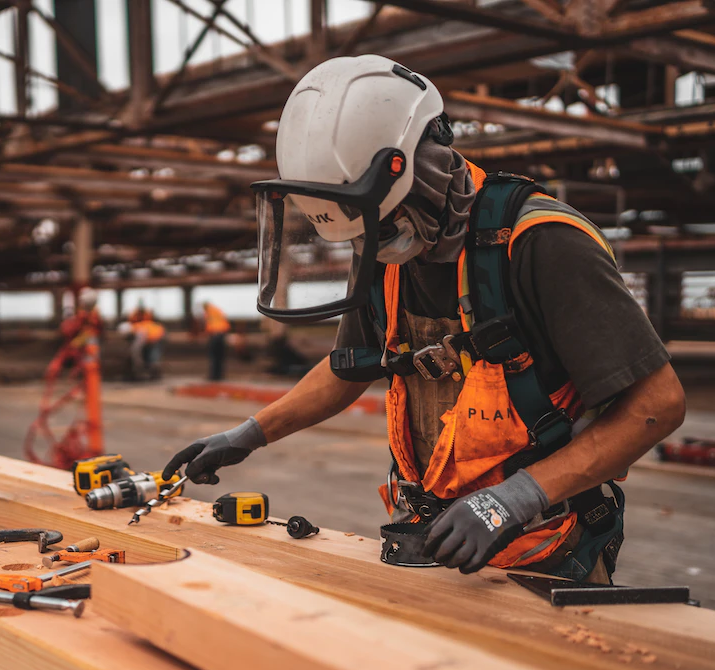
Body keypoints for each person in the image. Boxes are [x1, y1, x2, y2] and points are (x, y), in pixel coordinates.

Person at [163, 55, 685, 583]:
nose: (375, 245)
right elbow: (351, 367)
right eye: (364, 234)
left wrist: (515, 498)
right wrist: (250, 433)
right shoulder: (380, 250)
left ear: (422, 168)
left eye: (384, 225)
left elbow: (657, 405)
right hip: (426, 537)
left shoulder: (541, 243)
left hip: (544, 547)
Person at [118, 313, 165, 381]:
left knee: (152, 358)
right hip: (153, 338)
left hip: (157, 339)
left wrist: (137, 361)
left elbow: (137, 348)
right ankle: (151, 373)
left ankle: (153, 374)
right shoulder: (138, 327)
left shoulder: (139, 330)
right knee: (149, 356)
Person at [202, 302, 230, 381]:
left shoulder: (209, 312)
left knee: (214, 356)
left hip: (215, 334)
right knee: (220, 356)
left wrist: (207, 333)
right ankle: (219, 375)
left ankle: (214, 376)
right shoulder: (217, 310)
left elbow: (209, 324)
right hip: (222, 334)